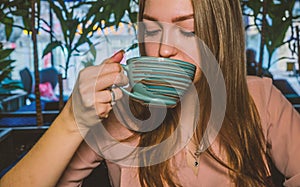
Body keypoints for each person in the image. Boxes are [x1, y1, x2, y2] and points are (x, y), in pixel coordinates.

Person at [1, 0, 300, 186]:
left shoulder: (259, 99)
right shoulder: (119, 116)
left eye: (187, 30)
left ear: (219, 33)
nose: (164, 49)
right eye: (152, 30)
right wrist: (71, 120)